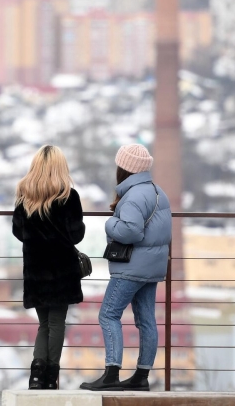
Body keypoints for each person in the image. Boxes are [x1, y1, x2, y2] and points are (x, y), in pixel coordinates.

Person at [80, 144, 171, 392]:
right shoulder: (158, 192)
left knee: (108, 314)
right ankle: (141, 377)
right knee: (146, 320)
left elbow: (131, 231)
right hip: (152, 267)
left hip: (131, 267)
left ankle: (111, 374)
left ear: (124, 168)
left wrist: (111, 224)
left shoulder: (132, 196)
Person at [12, 145, 85, 390]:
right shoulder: (69, 196)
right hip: (62, 271)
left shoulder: (24, 194)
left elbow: (18, 231)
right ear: (60, 167)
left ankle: (36, 377)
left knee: (44, 324)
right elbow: (76, 235)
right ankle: (51, 377)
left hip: (35, 269)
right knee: (57, 323)